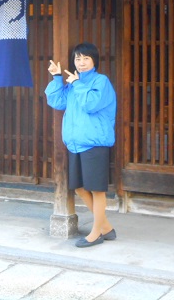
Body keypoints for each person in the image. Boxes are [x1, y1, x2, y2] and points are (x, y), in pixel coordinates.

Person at [45, 42, 117, 248]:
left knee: (97, 190)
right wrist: (57, 78)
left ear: (94, 61)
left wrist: (77, 83)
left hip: (94, 142)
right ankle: (106, 227)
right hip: (76, 143)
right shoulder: (72, 83)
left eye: (86, 58)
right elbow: (57, 102)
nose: (81, 62)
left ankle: (97, 233)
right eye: (78, 58)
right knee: (79, 188)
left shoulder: (100, 81)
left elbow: (91, 104)